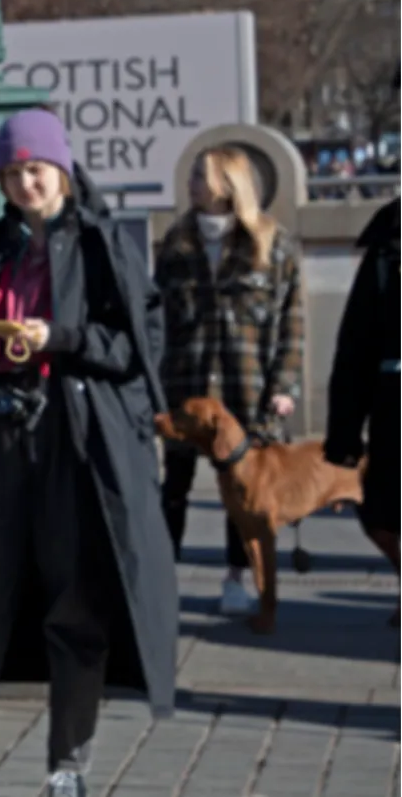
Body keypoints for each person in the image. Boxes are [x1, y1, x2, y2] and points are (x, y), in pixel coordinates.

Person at [0, 109, 177, 797]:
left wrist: (61, 336)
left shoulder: (103, 244)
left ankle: (67, 766)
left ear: (62, 167)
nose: (24, 182)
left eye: (35, 168)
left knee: (74, 606)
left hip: (73, 445)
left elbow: (139, 346)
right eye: (11, 171)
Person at [155, 144, 306, 616]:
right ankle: (159, 578)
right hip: (187, 386)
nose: (192, 183)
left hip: (248, 387)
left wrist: (284, 387)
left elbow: (292, 322)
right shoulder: (177, 245)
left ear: (228, 184)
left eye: (202, 175)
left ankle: (237, 578)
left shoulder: (271, 244)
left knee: (242, 490)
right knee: (173, 485)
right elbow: (157, 320)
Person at [323, 199, 400, 626]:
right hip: (394, 406)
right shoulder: (388, 245)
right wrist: (344, 435)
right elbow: (356, 346)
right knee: (377, 515)